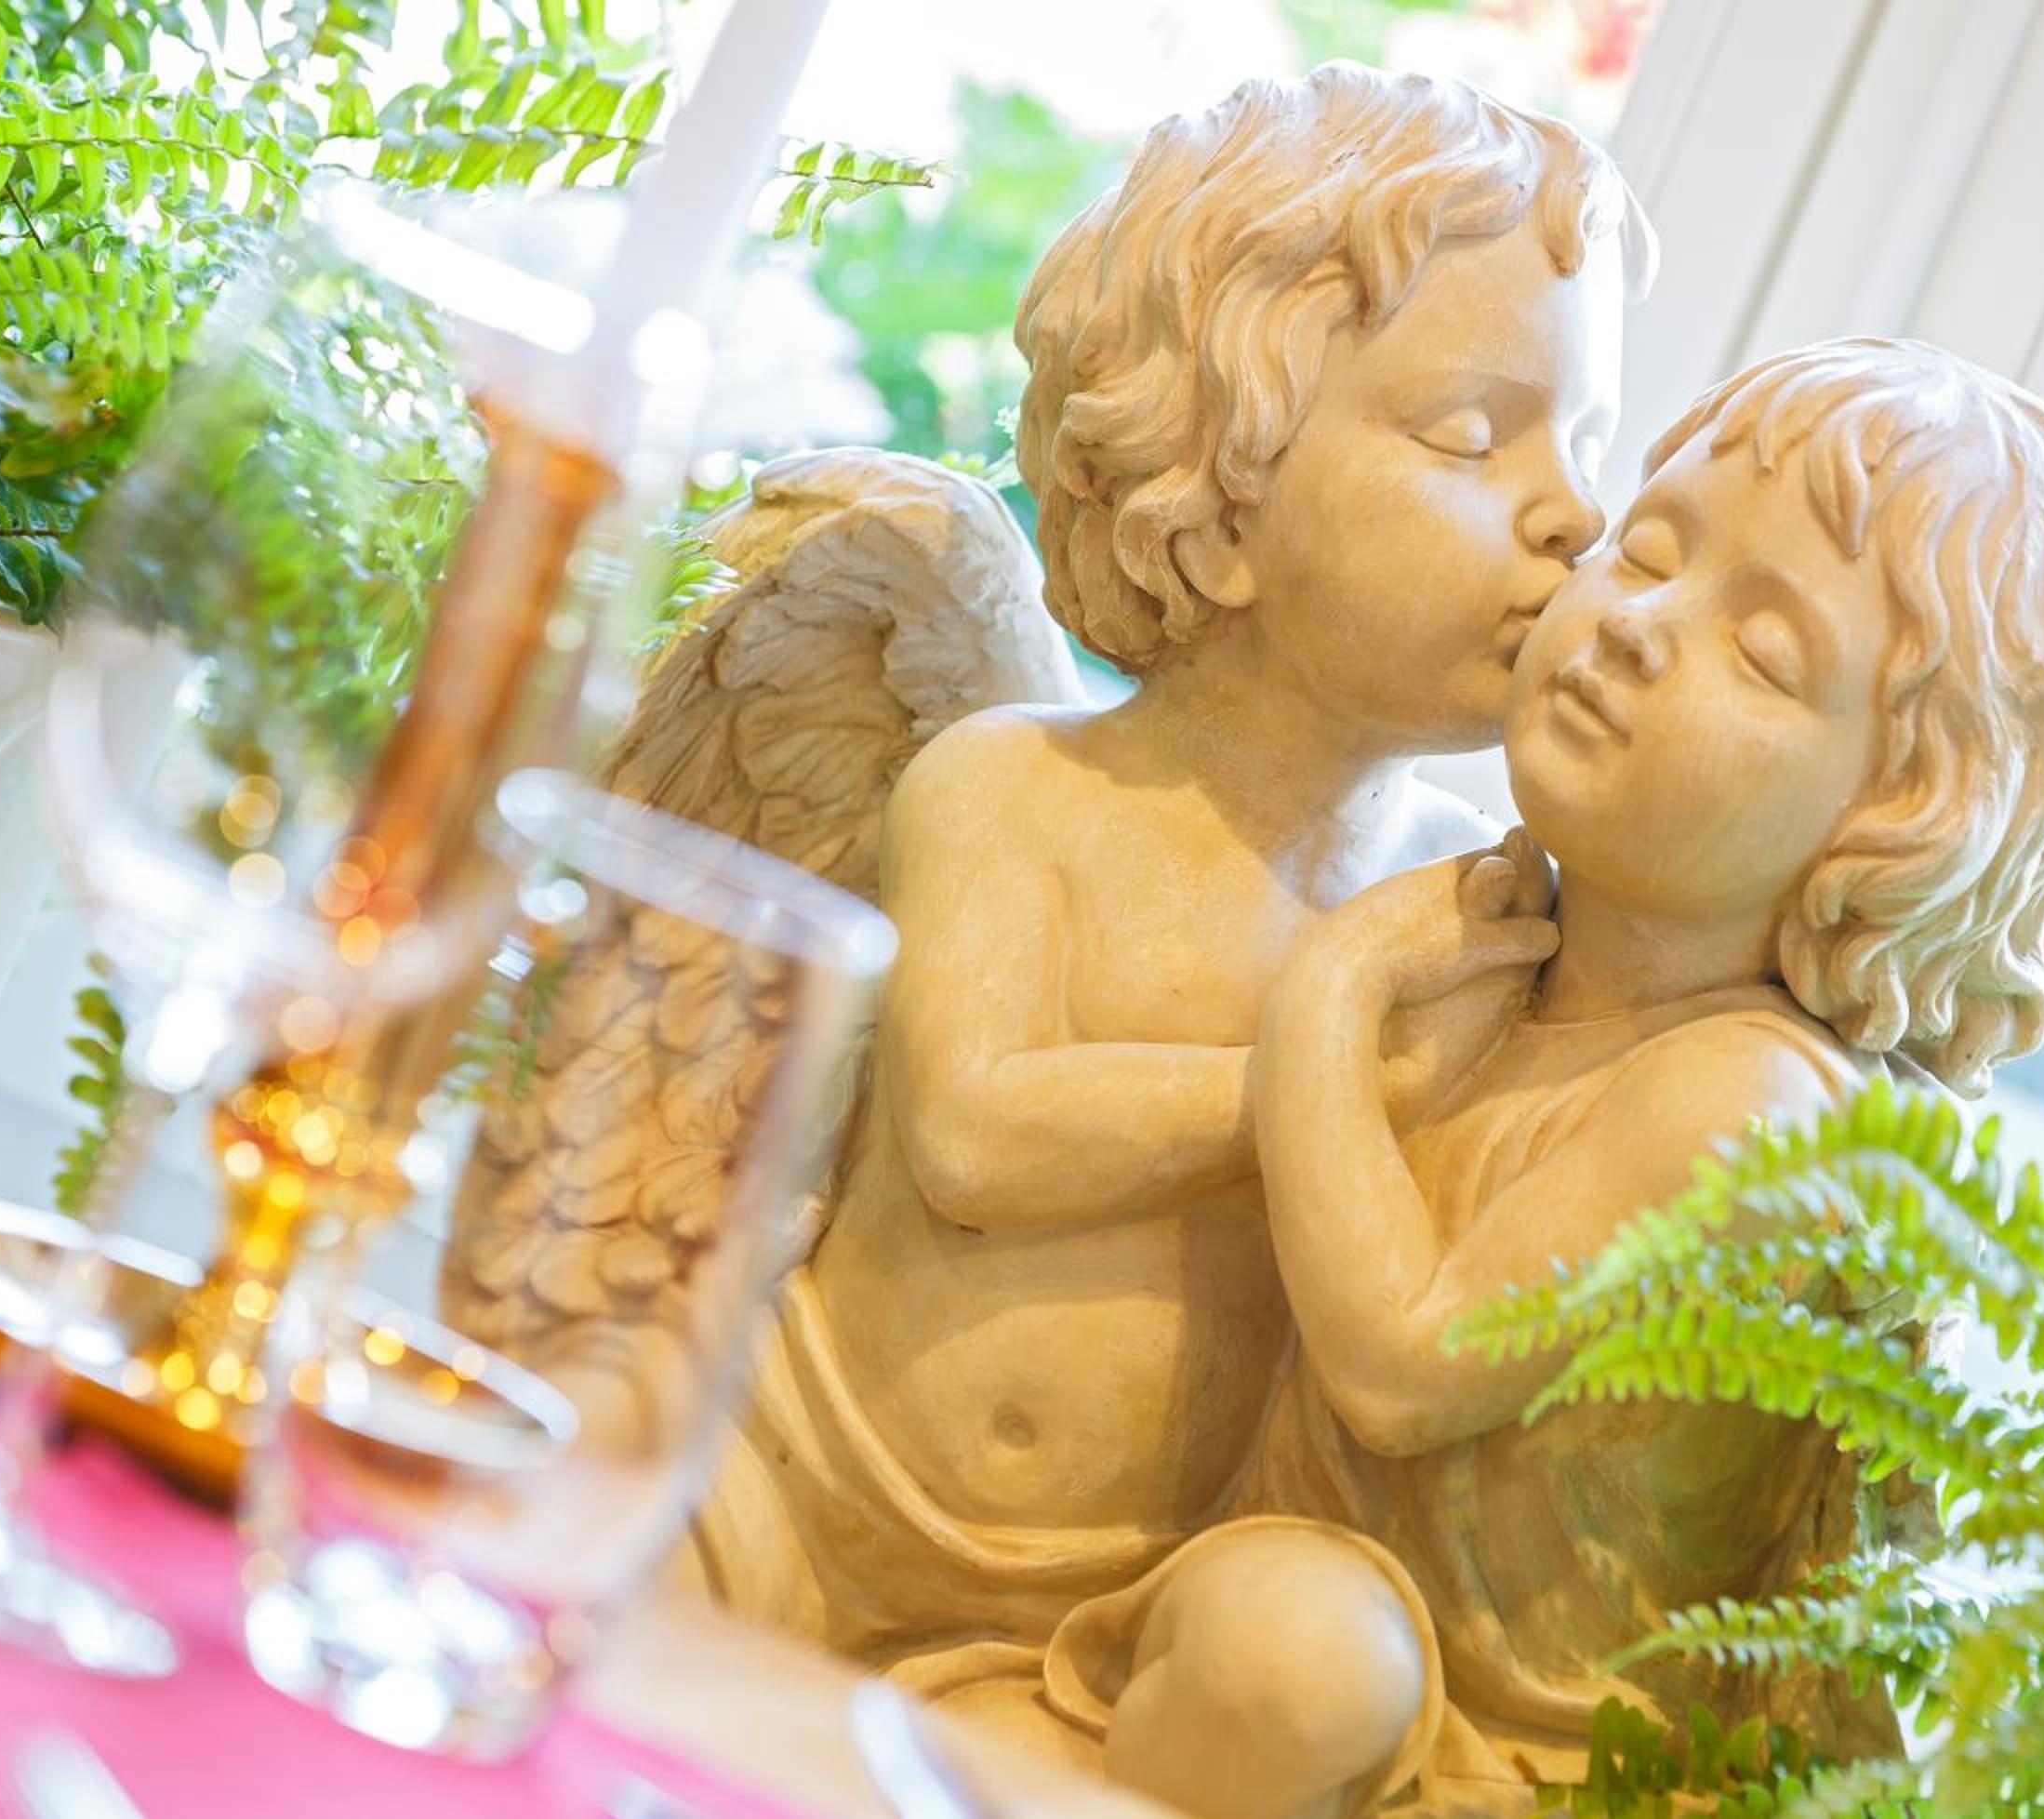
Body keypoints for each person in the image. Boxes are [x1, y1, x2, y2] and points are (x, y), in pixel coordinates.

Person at [1043, 337, 2044, 1817]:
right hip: (1323, 1635)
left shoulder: (1753, 1105)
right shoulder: (1497, 962)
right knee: (1280, 1640)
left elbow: (1398, 1365)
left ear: (1899, 824)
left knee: (1293, 1660)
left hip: (1535, 1767)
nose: (1640, 623)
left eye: (1765, 654)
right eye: (1647, 548)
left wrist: (1325, 996)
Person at [697, 63, 1657, 1759]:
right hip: (781, 1472)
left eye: (1584, 444)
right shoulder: (1014, 787)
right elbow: (979, 1135)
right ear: (1214, 504)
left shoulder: (1479, 908)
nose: (1577, 513)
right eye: (1471, 434)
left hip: (1076, 1626)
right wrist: (1331, 1065)